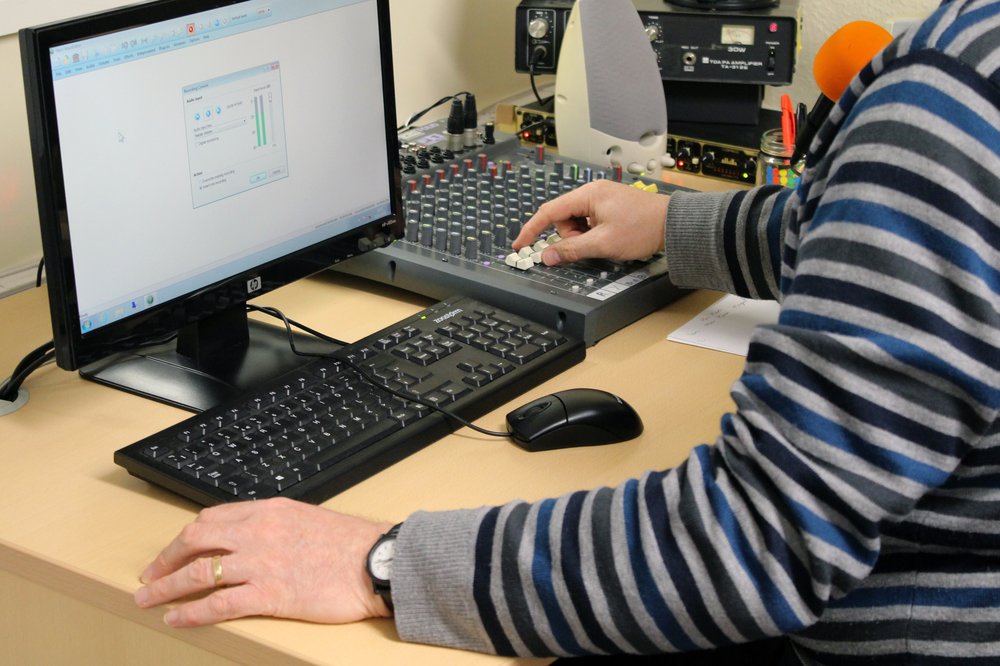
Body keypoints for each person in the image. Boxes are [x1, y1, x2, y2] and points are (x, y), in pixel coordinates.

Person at [134, 1, 1000, 663]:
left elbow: (756, 539)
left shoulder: (951, 98)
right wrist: (675, 228)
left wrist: (384, 563)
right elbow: (908, 234)